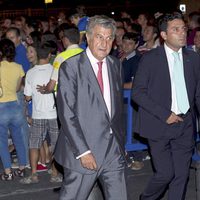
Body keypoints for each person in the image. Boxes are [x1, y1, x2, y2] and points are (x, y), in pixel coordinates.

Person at [54, 15, 127, 200]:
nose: (104, 43)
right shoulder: (70, 67)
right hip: (84, 151)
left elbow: (116, 109)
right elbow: (67, 113)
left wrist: (120, 142)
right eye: (99, 37)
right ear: (87, 37)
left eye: (109, 38)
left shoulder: (115, 65)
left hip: (112, 150)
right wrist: (83, 152)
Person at [132, 13, 200, 200]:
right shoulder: (150, 59)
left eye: (184, 29)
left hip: (185, 124)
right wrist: (164, 114)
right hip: (159, 123)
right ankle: (146, 198)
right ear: (163, 35)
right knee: (165, 173)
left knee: (181, 175)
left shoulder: (193, 58)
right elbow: (138, 93)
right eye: (175, 30)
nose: (182, 33)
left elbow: (197, 93)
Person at [22, 44, 60, 184]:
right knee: (56, 144)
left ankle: (34, 175)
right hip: (54, 114)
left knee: (34, 144)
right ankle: (55, 173)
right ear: (49, 55)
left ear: (37, 55)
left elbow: (27, 97)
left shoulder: (31, 73)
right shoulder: (56, 70)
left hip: (38, 114)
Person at [0, 39, 26, 180]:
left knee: (2, 141)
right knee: (18, 139)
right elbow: (17, 89)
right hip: (15, 106)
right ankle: (22, 169)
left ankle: (8, 172)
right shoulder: (18, 67)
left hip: (1, 106)